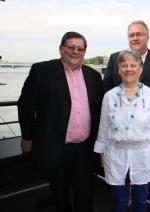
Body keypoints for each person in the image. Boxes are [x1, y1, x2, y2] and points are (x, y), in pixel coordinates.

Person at [18, 31, 104, 212]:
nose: (75, 52)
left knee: (85, 193)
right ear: (61, 49)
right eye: (71, 47)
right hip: (56, 147)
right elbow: (26, 105)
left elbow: (99, 111)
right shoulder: (42, 71)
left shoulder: (93, 76)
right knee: (59, 193)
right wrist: (27, 136)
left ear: (84, 52)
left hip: (85, 148)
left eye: (80, 49)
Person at [94, 50, 150, 212]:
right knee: (119, 200)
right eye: (124, 65)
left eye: (133, 65)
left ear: (141, 69)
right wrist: (101, 150)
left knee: (141, 201)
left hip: (143, 155)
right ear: (119, 70)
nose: (128, 69)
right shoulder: (110, 96)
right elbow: (103, 126)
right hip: (116, 154)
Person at [103, 20, 150, 94]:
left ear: (148, 37)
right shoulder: (114, 58)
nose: (135, 38)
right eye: (131, 35)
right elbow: (106, 87)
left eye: (139, 34)